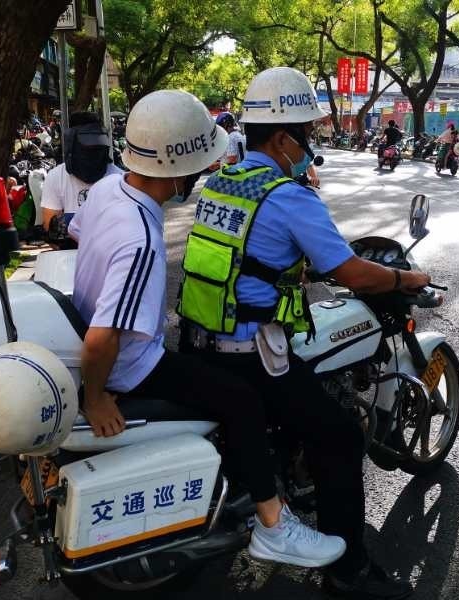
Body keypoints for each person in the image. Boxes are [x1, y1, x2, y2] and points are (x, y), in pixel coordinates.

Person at [176, 66, 430, 599]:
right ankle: (349, 572)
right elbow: (353, 272)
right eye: (308, 134)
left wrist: (295, 267)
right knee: (337, 435)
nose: (311, 145)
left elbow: (243, 257)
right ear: (284, 137)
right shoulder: (289, 195)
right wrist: (406, 277)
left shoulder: (223, 181)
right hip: (249, 352)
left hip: (198, 343)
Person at [68, 89, 346, 569]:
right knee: (242, 400)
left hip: (123, 347)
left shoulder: (109, 190)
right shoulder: (141, 239)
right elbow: (103, 337)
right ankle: (273, 525)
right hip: (131, 365)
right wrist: (96, 398)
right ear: (182, 168)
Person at [41, 112, 123, 235]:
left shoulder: (119, 179)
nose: (91, 156)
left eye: (96, 149)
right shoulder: (56, 177)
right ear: (71, 144)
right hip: (68, 251)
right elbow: (50, 228)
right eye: (85, 149)